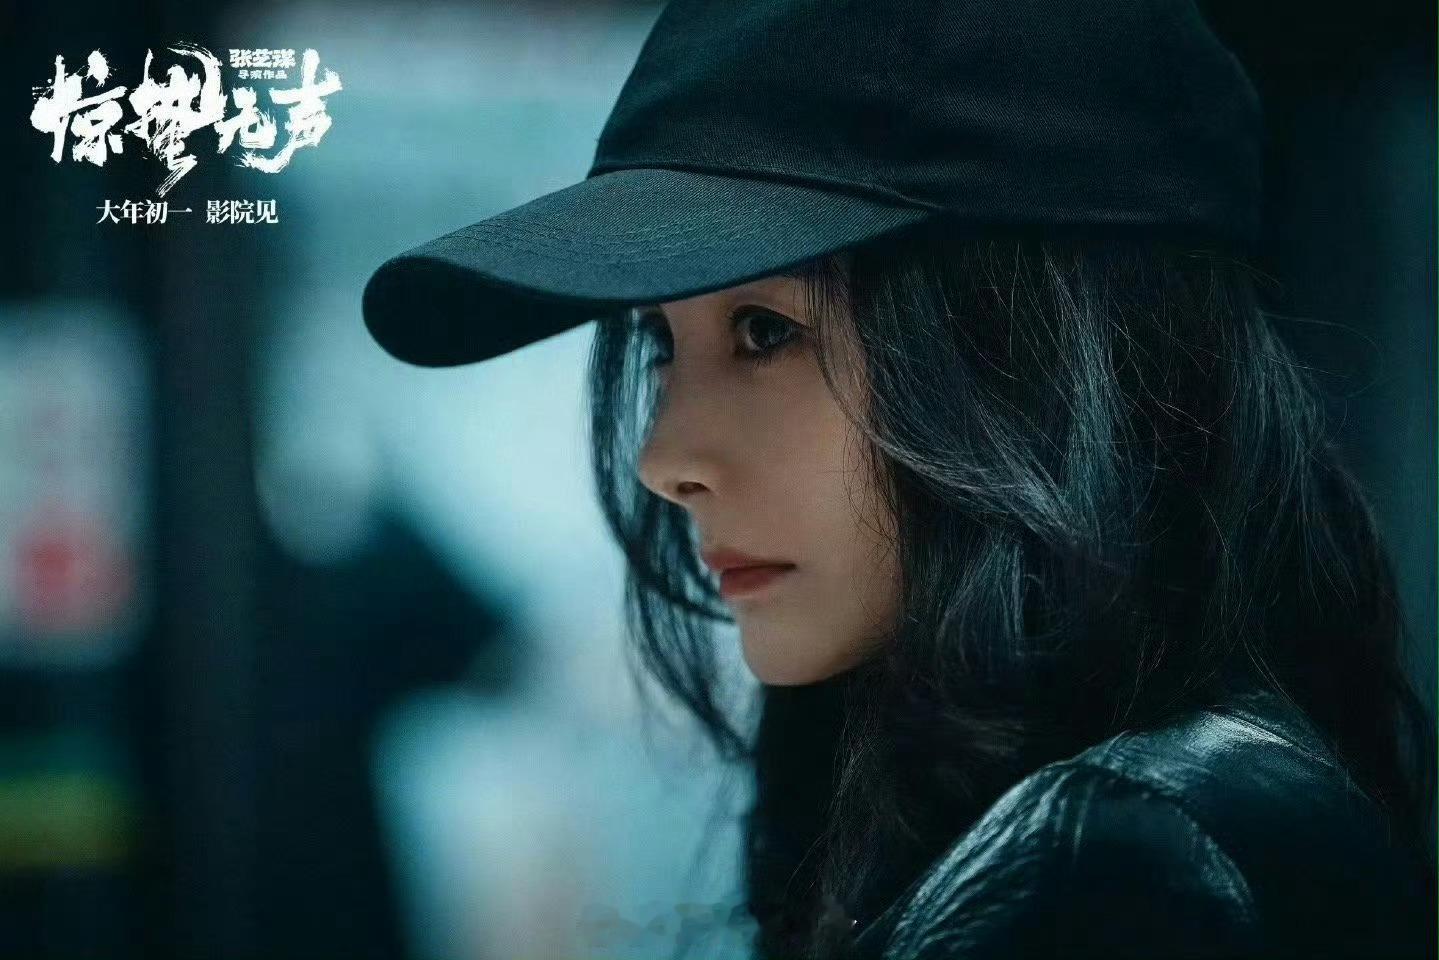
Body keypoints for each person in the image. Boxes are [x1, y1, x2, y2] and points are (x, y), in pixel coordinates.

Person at [359, 1, 1437, 957]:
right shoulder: (1083, 827)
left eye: (765, 330)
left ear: (1033, 356)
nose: (663, 458)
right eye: (660, 347)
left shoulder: (1117, 866)